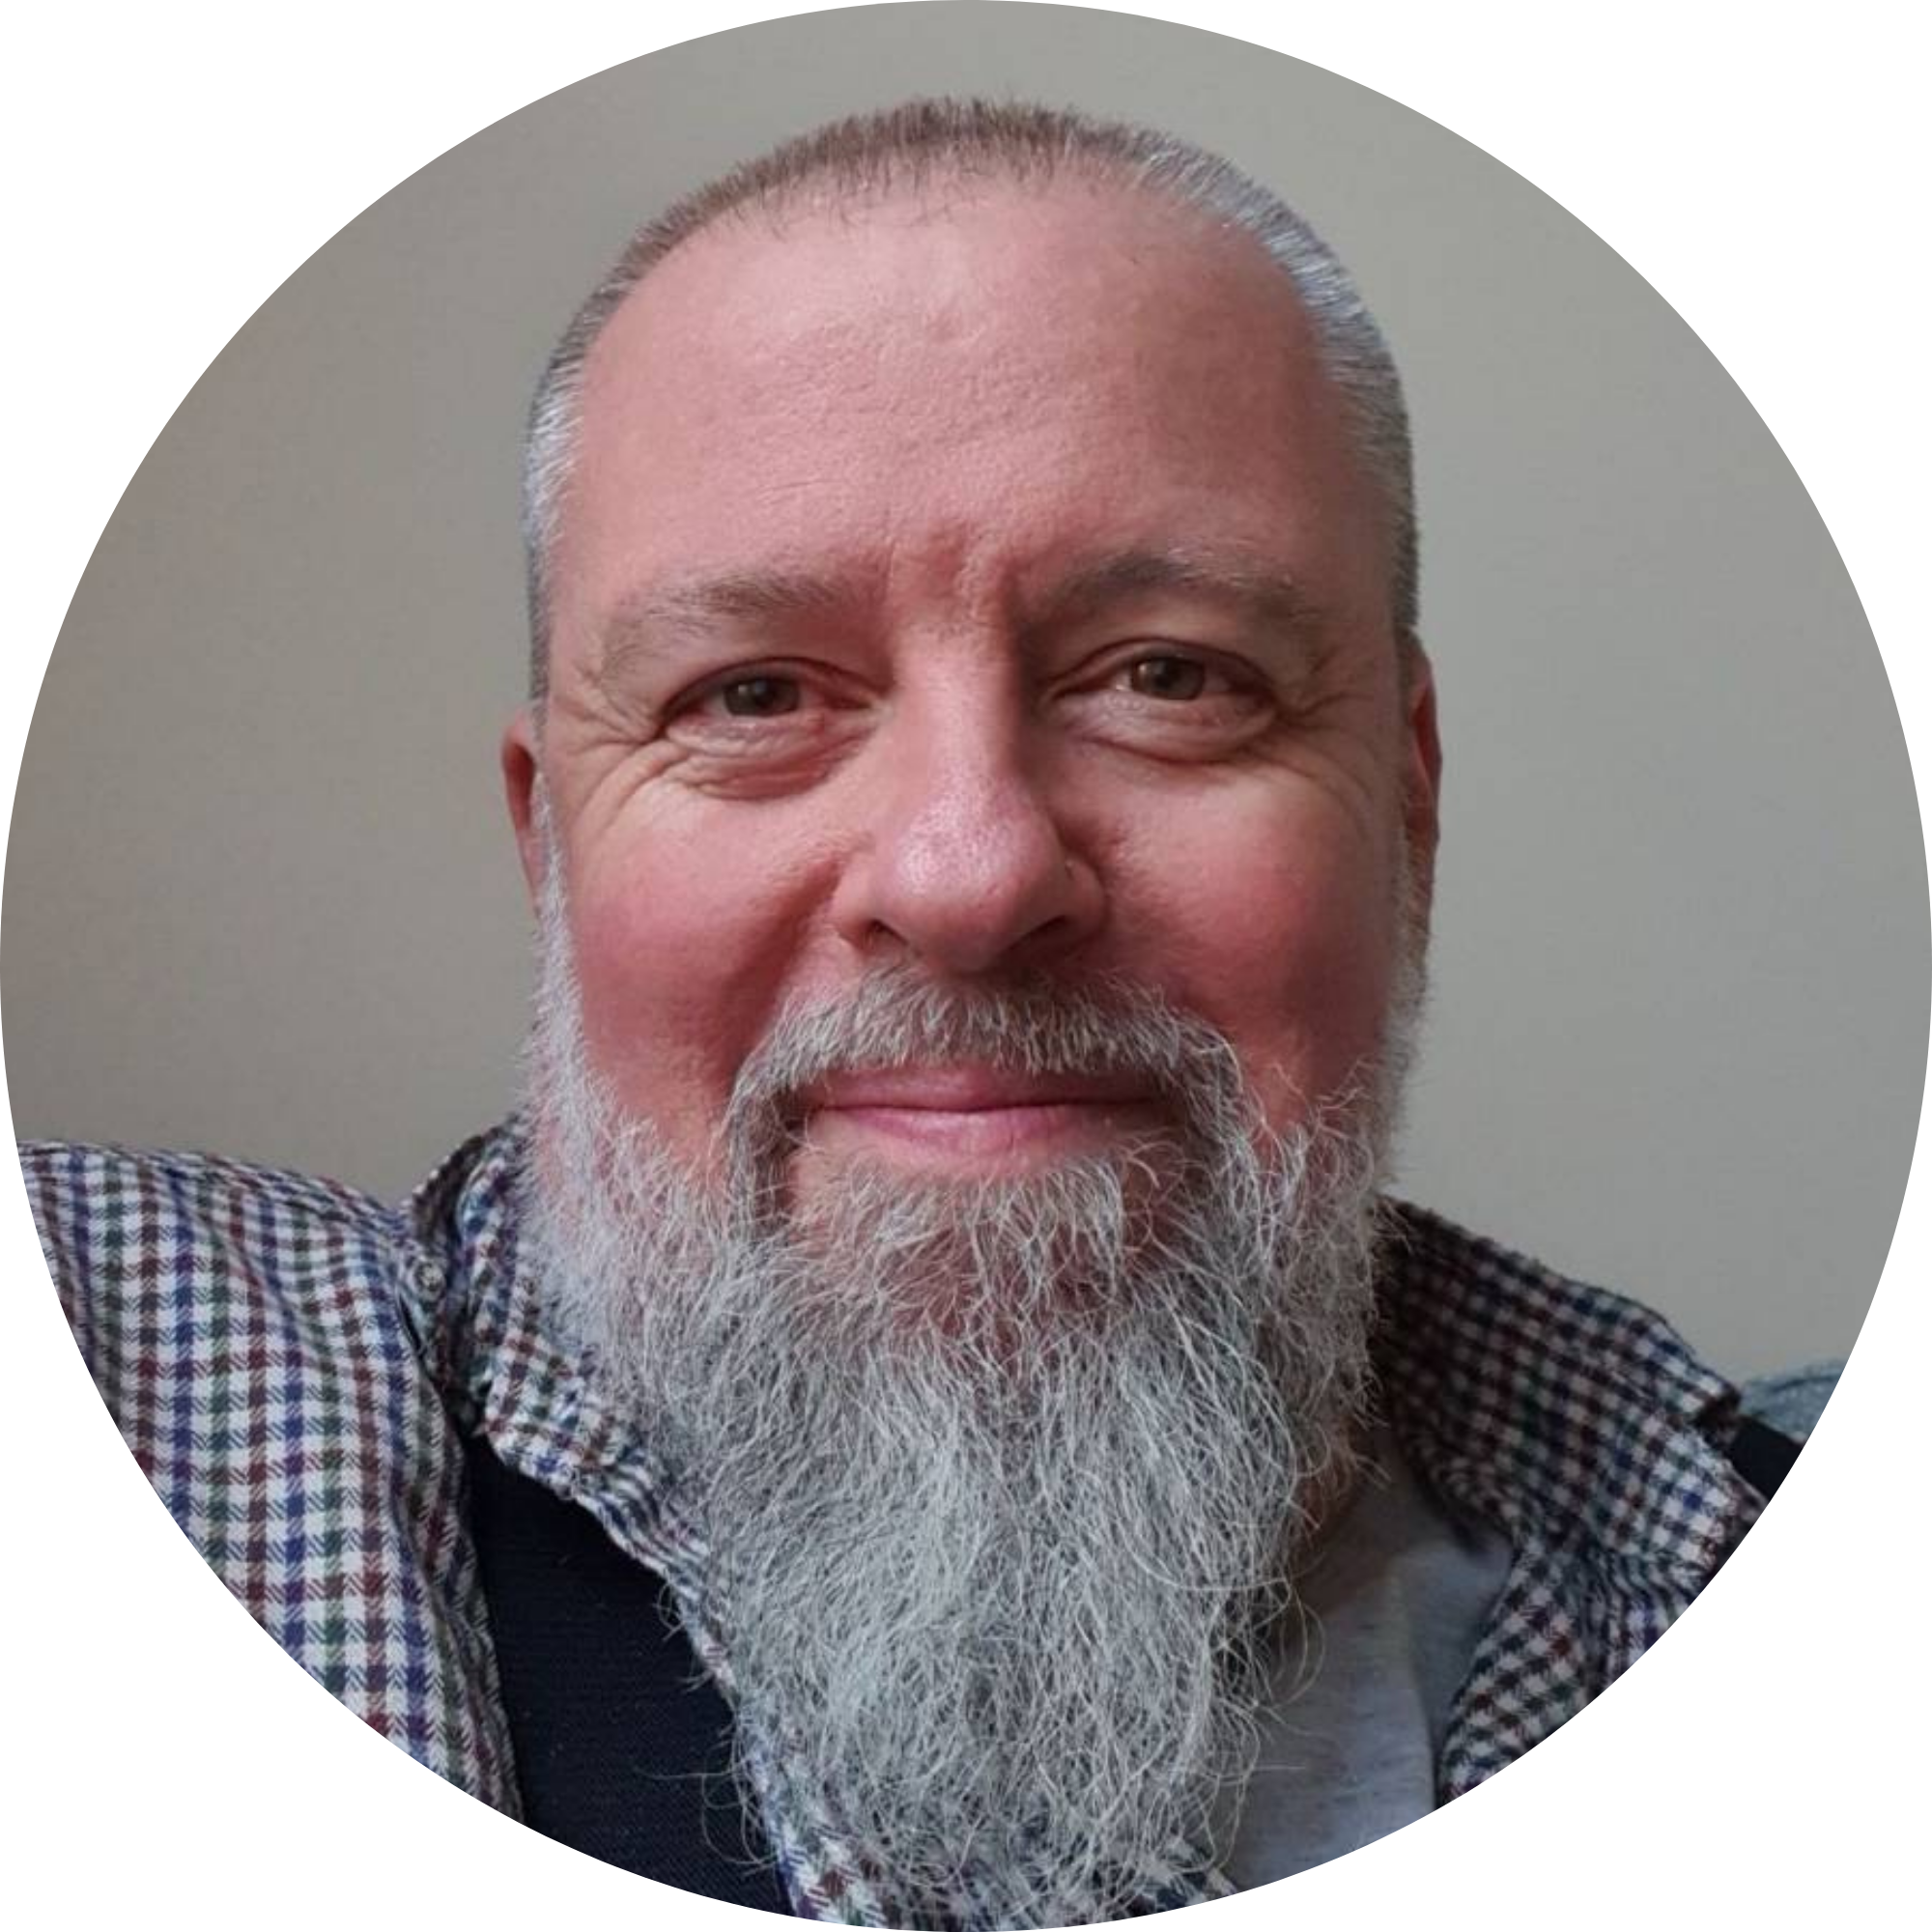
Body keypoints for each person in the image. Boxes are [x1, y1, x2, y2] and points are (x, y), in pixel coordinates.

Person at [18, 98, 1843, 1926]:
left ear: (1409, 800)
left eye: (1169, 676)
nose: (970, 877)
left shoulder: (1814, 1578)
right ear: (551, 844)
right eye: (751, 695)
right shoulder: (105, 1418)